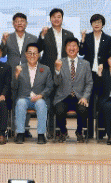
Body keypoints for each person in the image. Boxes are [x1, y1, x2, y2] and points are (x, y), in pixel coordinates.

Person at [37, 8, 74, 137]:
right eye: (54, 17)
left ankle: (61, 130)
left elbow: (73, 52)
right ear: (50, 19)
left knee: (61, 101)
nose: (56, 19)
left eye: (59, 17)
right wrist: (42, 36)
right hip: (49, 72)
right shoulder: (45, 33)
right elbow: (38, 49)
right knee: (50, 101)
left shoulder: (69, 34)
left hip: (64, 72)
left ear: (62, 19)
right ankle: (51, 129)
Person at [53, 37, 93, 143]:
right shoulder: (59, 63)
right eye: (69, 46)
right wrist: (57, 70)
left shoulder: (85, 64)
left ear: (78, 48)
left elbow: (89, 83)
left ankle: (79, 132)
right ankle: (63, 132)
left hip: (79, 96)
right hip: (63, 96)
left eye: (74, 46)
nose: (72, 48)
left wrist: (85, 97)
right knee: (59, 110)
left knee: (83, 109)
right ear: (65, 48)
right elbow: (56, 83)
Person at [80, 13, 111, 139]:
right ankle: (87, 132)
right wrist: (82, 40)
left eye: (99, 22)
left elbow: (110, 56)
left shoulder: (108, 39)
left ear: (103, 24)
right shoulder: (87, 37)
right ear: (91, 24)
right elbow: (81, 52)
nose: (97, 24)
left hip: (102, 74)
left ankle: (101, 132)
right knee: (87, 102)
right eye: (94, 22)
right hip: (88, 74)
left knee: (101, 102)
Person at [12, 43, 53, 145]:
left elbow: (49, 87)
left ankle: (41, 134)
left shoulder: (45, 69)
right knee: (20, 103)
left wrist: (41, 95)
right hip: (24, 97)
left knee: (41, 104)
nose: (32, 56)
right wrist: (16, 75)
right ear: (25, 54)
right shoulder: (19, 68)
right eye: (30, 53)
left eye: (35, 53)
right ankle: (20, 133)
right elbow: (14, 87)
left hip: (39, 98)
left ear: (39, 55)